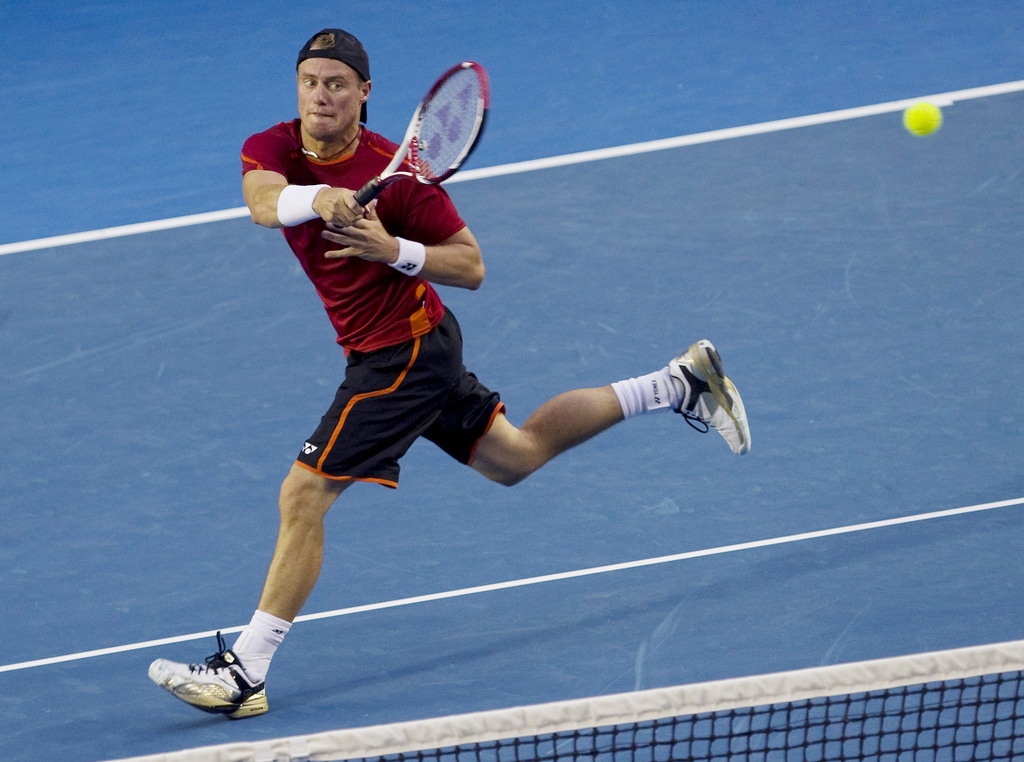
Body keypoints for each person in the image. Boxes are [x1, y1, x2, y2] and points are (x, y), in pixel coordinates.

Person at [148, 28, 751, 720]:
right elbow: (262, 203)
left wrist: (392, 247)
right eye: (311, 81)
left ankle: (246, 671)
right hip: (398, 348)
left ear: (364, 94)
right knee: (514, 457)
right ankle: (678, 383)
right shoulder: (274, 146)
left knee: (304, 493)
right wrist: (322, 200)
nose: (322, 94)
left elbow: (471, 265)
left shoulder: (402, 176)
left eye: (337, 83)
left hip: (403, 351)